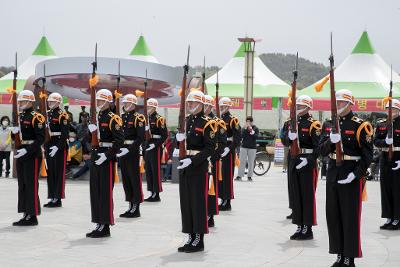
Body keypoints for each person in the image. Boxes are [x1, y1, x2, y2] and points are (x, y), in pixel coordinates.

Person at [319, 89, 373, 267]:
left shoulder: (360, 125)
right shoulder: (328, 124)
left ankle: (349, 257)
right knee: (333, 215)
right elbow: (322, 151)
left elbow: (367, 156)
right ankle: (339, 254)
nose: (338, 105)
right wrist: (331, 141)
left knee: (349, 217)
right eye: (336, 102)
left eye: (342, 102)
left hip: (351, 173)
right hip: (334, 171)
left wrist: (356, 174)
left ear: (350, 104)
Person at [175, 90, 216, 253]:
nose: (189, 105)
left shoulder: (207, 123)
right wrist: (178, 142)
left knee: (198, 204)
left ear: (200, 104)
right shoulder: (186, 121)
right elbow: (182, 145)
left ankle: (199, 239)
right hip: (186, 167)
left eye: (192, 103)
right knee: (187, 204)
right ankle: (190, 236)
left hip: (198, 168)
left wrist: (192, 160)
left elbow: (210, 149)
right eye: (188, 103)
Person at [281, 95, 321, 240]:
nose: (298, 108)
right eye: (297, 105)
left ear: (309, 107)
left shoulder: (314, 124)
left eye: (301, 105)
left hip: (306, 161)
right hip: (293, 159)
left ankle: (308, 228)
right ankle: (299, 225)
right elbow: (285, 141)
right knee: (295, 194)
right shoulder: (290, 123)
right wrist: (289, 137)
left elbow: (318, 147)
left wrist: (309, 160)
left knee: (307, 195)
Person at [86, 89, 124, 238]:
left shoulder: (113, 119)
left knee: (105, 192)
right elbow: (91, 139)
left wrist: (107, 156)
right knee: (95, 192)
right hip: (96, 155)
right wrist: (90, 131)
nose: (99, 103)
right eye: (98, 101)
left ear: (108, 102)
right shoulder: (95, 117)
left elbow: (119, 141)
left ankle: (105, 225)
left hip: (106, 158)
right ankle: (98, 223)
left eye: (102, 101)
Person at [12, 90, 45, 226]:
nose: (19, 103)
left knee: (31, 185)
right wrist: (14, 135)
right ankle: (26, 213)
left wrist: (26, 150)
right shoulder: (20, 116)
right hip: (22, 153)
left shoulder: (36, 117)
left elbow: (40, 139)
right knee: (23, 184)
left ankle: (32, 216)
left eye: (22, 101)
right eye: (19, 101)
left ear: (30, 101)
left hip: (32, 155)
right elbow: (19, 138)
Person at [116, 94, 145, 218]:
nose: (125, 105)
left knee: (134, 179)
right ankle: (130, 205)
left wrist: (128, 150)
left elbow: (140, 138)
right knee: (126, 180)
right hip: (122, 151)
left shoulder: (139, 118)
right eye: (124, 103)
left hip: (132, 152)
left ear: (133, 104)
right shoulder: (121, 117)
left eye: (127, 103)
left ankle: (136, 207)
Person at [374, 98, 400, 230]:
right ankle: (389, 217)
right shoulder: (381, 124)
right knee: (385, 189)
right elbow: (375, 141)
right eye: (389, 109)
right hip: (385, 157)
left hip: (398, 158)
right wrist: (385, 142)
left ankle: (397, 218)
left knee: (397, 189)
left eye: (394, 109)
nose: (391, 111)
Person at [203, 94, 226, 227]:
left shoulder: (218, 122)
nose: (205, 108)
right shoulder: (197, 120)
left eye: (207, 105)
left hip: (212, 160)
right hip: (199, 159)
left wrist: (212, 156)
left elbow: (222, 143)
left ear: (211, 106)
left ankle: (210, 216)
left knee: (211, 188)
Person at [44, 92, 70, 208]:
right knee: (51, 172)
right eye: (49, 101)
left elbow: (65, 134)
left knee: (59, 172)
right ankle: (52, 196)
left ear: (58, 102)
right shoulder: (47, 114)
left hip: (59, 145)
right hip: (49, 144)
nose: (50, 103)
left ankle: (58, 198)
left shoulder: (62, 115)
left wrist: (58, 147)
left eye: (52, 101)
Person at [218, 97, 241, 211]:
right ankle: (222, 198)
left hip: (228, 150)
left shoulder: (233, 120)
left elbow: (237, 138)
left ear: (228, 107)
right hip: (220, 150)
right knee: (220, 176)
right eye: (220, 106)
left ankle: (227, 201)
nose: (221, 108)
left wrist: (229, 148)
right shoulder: (218, 118)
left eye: (223, 106)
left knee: (227, 176)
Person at [144, 98, 168, 202]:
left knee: (155, 170)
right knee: (148, 169)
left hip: (156, 147)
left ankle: (156, 193)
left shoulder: (159, 119)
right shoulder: (146, 118)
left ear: (154, 107)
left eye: (149, 106)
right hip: (148, 145)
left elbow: (164, 135)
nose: (148, 108)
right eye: (147, 106)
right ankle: (152, 192)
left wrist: (155, 145)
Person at [236, 116, 259, 182]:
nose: (248, 123)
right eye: (247, 121)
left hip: (252, 148)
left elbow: (256, 137)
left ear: (252, 122)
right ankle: (239, 176)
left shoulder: (256, 128)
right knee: (242, 161)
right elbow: (241, 136)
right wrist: (245, 129)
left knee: (251, 162)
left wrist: (252, 131)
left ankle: (249, 176)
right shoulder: (244, 128)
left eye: (249, 122)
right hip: (244, 147)